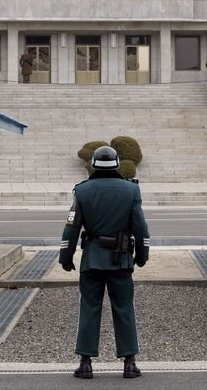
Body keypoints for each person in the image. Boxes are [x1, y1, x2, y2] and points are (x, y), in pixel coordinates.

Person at [59, 146, 150, 379]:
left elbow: (71, 227)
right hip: (120, 261)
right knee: (124, 309)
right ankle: (129, 362)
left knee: (89, 309)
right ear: (118, 164)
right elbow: (140, 228)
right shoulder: (131, 190)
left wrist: (66, 257)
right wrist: (142, 254)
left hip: (92, 260)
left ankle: (86, 362)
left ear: (93, 164)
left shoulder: (82, 191)